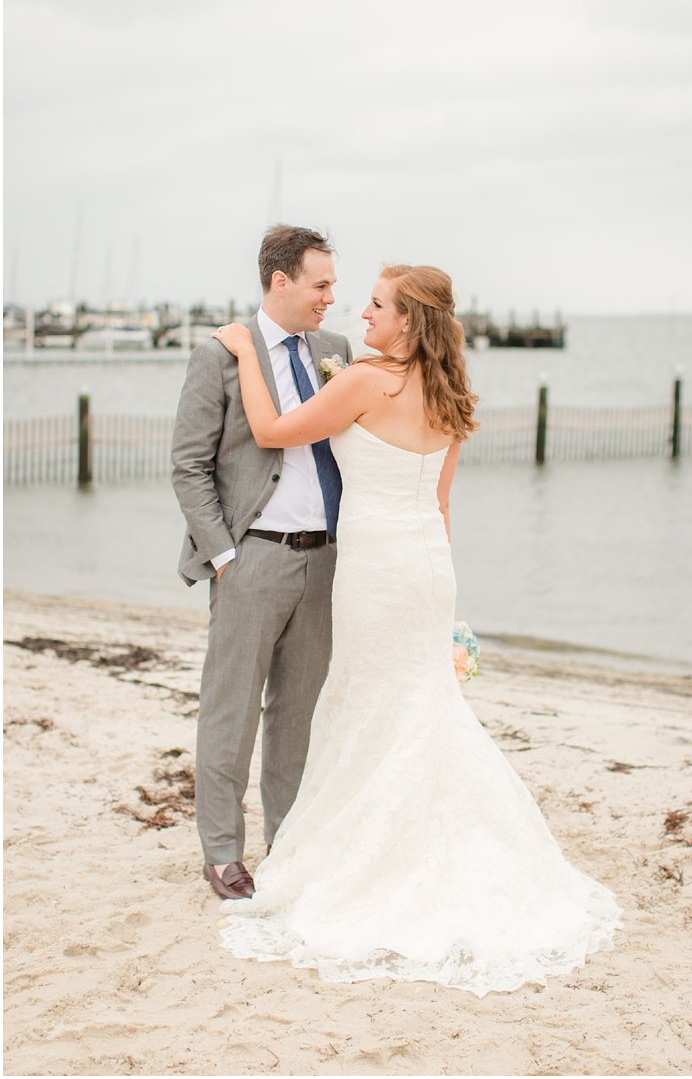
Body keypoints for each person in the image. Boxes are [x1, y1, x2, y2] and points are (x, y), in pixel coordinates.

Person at [208, 262, 620, 995]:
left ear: (408, 320)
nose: (362, 314)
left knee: (371, 705)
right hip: (429, 568)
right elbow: (443, 505)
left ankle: (375, 859)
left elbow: (272, 429)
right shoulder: (449, 389)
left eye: (375, 305)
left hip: (376, 574)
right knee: (420, 708)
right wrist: (441, 598)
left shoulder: (367, 382)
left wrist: (245, 351)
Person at [171, 225, 350, 903]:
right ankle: (221, 852)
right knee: (231, 708)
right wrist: (224, 555)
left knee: (299, 711)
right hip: (252, 560)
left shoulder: (335, 351)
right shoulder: (217, 355)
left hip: (324, 559)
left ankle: (289, 838)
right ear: (281, 281)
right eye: (321, 283)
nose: (332, 296)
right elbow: (189, 466)